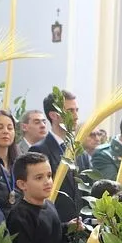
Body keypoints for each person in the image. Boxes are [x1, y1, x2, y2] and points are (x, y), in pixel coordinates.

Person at [31, 89, 81, 223]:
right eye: (70, 111)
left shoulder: (79, 150)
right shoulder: (39, 150)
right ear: (53, 115)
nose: (76, 116)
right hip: (54, 226)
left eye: (77, 110)